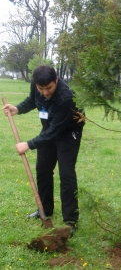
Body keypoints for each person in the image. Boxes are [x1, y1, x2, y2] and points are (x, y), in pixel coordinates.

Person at [2, 65, 84, 237]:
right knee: (43, 170)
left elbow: (56, 130)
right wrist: (17, 109)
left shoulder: (65, 96)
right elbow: (33, 100)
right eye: (41, 88)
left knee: (66, 174)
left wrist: (29, 144)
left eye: (49, 88)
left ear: (56, 80)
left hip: (69, 132)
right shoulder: (37, 85)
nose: (45, 92)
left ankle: (70, 219)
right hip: (49, 129)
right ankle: (44, 210)